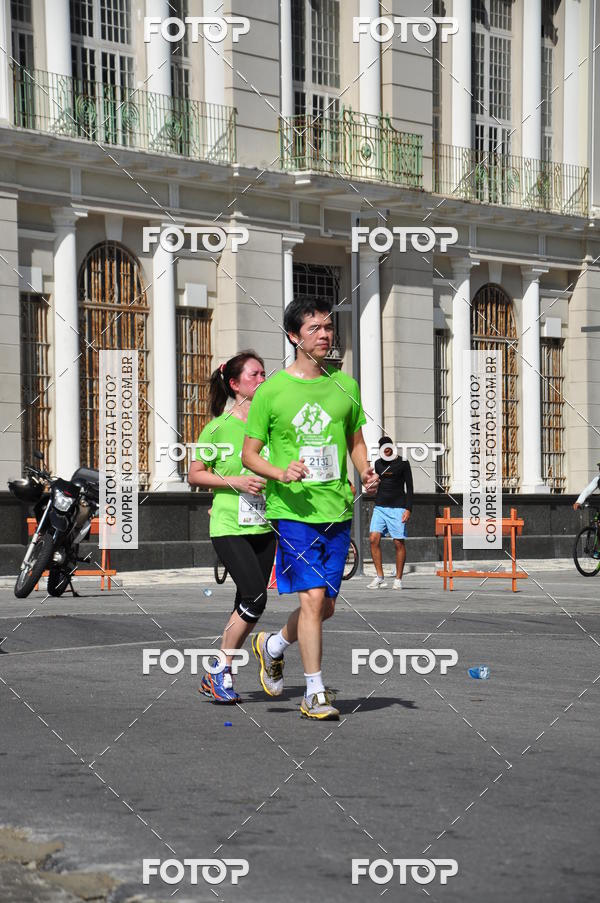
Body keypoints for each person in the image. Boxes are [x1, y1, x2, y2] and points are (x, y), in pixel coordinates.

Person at [241, 296, 378, 721]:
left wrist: (366, 471)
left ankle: (274, 645)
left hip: (336, 510)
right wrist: (280, 472)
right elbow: (249, 455)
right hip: (293, 511)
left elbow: (354, 439)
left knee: (324, 606)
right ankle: (314, 693)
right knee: (314, 598)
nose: (325, 334)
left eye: (328, 327)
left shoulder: (345, 386)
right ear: (294, 336)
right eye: (315, 328)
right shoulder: (272, 391)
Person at [188, 351, 276, 703]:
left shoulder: (270, 426)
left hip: (265, 524)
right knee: (256, 596)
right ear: (236, 385)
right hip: (228, 524)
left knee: (248, 600)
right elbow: (195, 474)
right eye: (255, 375)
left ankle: (218, 672)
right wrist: (235, 480)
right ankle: (219, 668)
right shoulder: (218, 427)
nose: (262, 379)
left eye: (264, 373)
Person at [368, 436, 413, 590]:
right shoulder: (378, 464)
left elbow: (410, 487)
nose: (386, 450)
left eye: (389, 447)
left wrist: (408, 508)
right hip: (380, 506)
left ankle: (398, 579)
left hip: (398, 507)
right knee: (373, 539)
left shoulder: (403, 462)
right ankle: (380, 577)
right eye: (383, 448)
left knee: (398, 542)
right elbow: (376, 482)